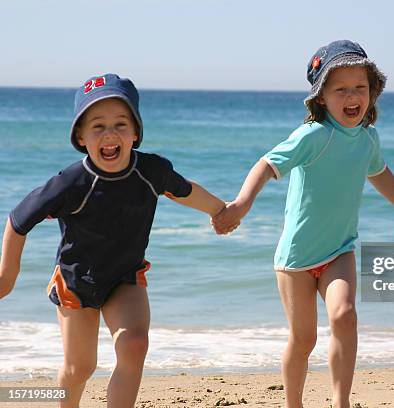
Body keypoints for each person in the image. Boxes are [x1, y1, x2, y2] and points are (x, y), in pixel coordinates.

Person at [212, 40, 394, 407]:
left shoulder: (368, 139)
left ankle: (340, 401)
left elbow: (380, 173)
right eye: (340, 89)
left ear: (372, 93)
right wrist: (242, 204)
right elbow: (266, 164)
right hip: (295, 258)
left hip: (339, 249)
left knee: (345, 316)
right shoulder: (314, 136)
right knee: (303, 340)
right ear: (322, 98)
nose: (352, 96)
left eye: (360, 87)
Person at [0, 74, 227, 408]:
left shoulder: (151, 171)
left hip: (125, 276)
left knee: (134, 344)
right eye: (97, 125)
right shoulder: (70, 183)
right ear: (80, 136)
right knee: (80, 369)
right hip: (77, 283)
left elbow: (183, 190)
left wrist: (220, 211)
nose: (110, 133)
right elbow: (18, 220)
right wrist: (8, 275)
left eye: (121, 124)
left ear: (135, 132)